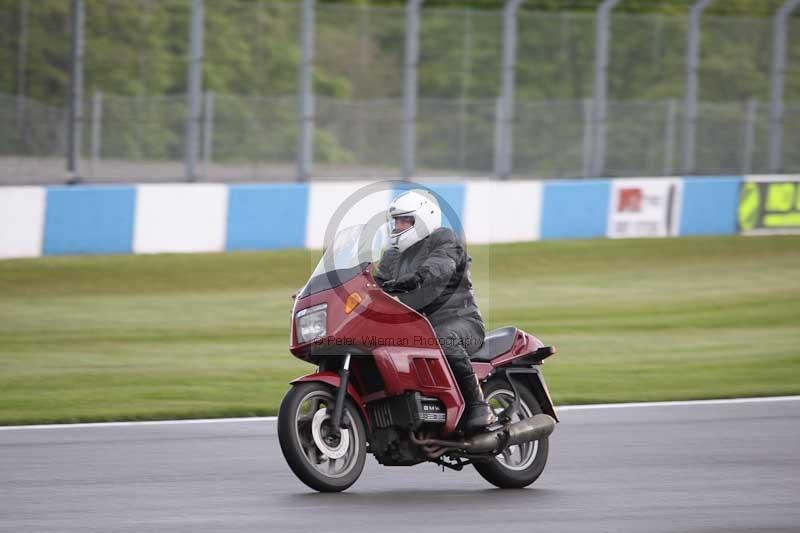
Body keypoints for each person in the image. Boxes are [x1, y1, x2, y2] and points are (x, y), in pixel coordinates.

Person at [373, 189, 496, 433]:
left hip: (461, 321)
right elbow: (372, 283)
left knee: (443, 339)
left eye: (404, 220)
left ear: (423, 219)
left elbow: (442, 265)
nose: (398, 226)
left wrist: (418, 278)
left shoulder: (444, 239)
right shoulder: (393, 256)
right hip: (419, 326)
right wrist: (332, 290)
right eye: (396, 221)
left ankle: (478, 406)